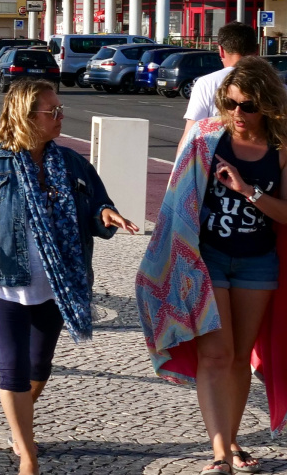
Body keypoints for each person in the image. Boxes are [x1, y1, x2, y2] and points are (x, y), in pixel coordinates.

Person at [0, 81, 136, 475]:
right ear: (25, 116)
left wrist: (105, 213)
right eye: (52, 111)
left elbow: (98, 199)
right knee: (13, 363)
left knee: (40, 365)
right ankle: (28, 454)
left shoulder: (72, 163)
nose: (60, 116)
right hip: (2, 276)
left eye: (59, 108)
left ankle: (18, 421)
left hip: (56, 280)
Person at [139, 57, 287, 475]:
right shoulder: (208, 137)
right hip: (206, 260)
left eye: (249, 106)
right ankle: (220, 453)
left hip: (258, 263)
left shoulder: (280, 151)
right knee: (216, 355)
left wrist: (248, 191)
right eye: (232, 103)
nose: (238, 114)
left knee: (241, 357)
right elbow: (177, 196)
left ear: (268, 105)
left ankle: (233, 440)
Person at [180, 21, 262, 155]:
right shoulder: (277, 86)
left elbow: (190, 137)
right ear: (257, 50)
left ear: (221, 51)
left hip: (217, 164)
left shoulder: (206, 83)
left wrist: (178, 172)